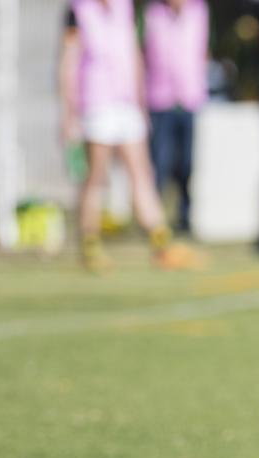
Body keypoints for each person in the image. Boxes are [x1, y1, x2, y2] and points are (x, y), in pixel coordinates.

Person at [58, 0, 200, 271]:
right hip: (96, 101)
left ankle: (161, 242)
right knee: (96, 177)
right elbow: (69, 61)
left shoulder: (124, 7)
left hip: (126, 103)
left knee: (141, 174)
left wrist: (141, 101)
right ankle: (90, 244)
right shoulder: (78, 11)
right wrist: (69, 113)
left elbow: (133, 54)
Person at [143, 0, 210, 234]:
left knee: (186, 164)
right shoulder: (154, 13)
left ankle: (184, 217)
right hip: (160, 99)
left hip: (189, 98)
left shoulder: (198, 11)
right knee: (159, 162)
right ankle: (153, 219)